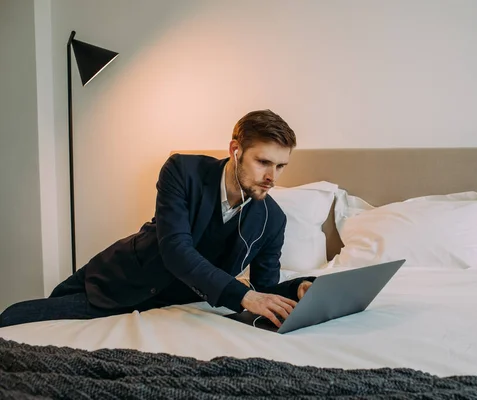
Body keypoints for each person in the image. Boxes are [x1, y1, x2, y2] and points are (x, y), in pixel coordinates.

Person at [0, 109, 314, 328]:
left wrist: (299, 288)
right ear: (235, 150)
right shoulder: (183, 171)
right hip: (120, 283)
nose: (272, 177)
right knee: (16, 318)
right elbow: (177, 251)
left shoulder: (272, 220)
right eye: (263, 162)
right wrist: (242, 295)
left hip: (169, 307)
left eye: (281, 166)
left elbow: (264, 288)